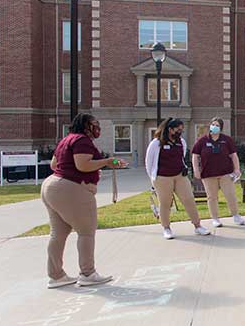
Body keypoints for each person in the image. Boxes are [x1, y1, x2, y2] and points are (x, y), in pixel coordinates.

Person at [42, 113, 126, 288]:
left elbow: (53, 165)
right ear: (85, 125)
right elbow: (83, 164)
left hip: (51, 186)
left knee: (57, 234)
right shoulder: (82, 141)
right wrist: (107, 162)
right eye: (94, 124)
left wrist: (99, 165)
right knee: (86, 231)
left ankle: (56, 275)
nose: (97, 128)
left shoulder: (67, 140)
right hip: (71, 189)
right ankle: (87, 273)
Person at [146, 118, 211, 240]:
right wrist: (153, 179)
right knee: (165, 203)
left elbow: (181, 157)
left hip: (179, 176)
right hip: (162, 177)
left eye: (182, 130)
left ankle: (197, 225)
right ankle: (166, 228)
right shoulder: (156, 143)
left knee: (189, 199)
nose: (180, 132)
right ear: (170, 129)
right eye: (178, 129)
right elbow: (149, 162)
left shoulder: (181, 142)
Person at [191, 117, 245, 228]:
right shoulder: (202, 140)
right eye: (213, 124)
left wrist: (237, 169)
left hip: (225, 173)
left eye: (217, 125)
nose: (214, 127)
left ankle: (236, 215)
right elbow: (195, 155)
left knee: (230, 195)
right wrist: (196, 169)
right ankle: (215, 218)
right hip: (208, 174)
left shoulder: (227, 140)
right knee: (212, 197)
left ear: (221, 128)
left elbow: (233, 155)